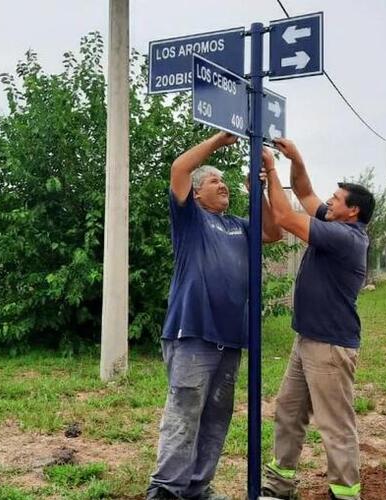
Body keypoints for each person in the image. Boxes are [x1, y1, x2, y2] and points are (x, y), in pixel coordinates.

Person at [147, 132, 282, 500]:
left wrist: (261, 191)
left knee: (216, 417)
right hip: (192, 332)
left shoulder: (239, 225)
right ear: (195, 193)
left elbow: (273, 232)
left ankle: (197, 487)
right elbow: (179, 168)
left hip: (231, 338)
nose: (222, 185)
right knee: (185, 412)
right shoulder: (190, 220)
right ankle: (165, 489)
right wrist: (219, 139)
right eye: (213, 180)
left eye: (224, 180)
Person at [261, 139, 374, 500]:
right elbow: (306, 192)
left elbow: (284, 217)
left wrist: (273, 172)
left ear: (352, 212)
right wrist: (296, 159)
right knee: (288, 411)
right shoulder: (332, 220)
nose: (329, 201)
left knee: (335, 425)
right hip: (306, 338)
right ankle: (279, 486)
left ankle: (345, 494)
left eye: (337, 199)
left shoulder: (346, 237)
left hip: (329, 345)